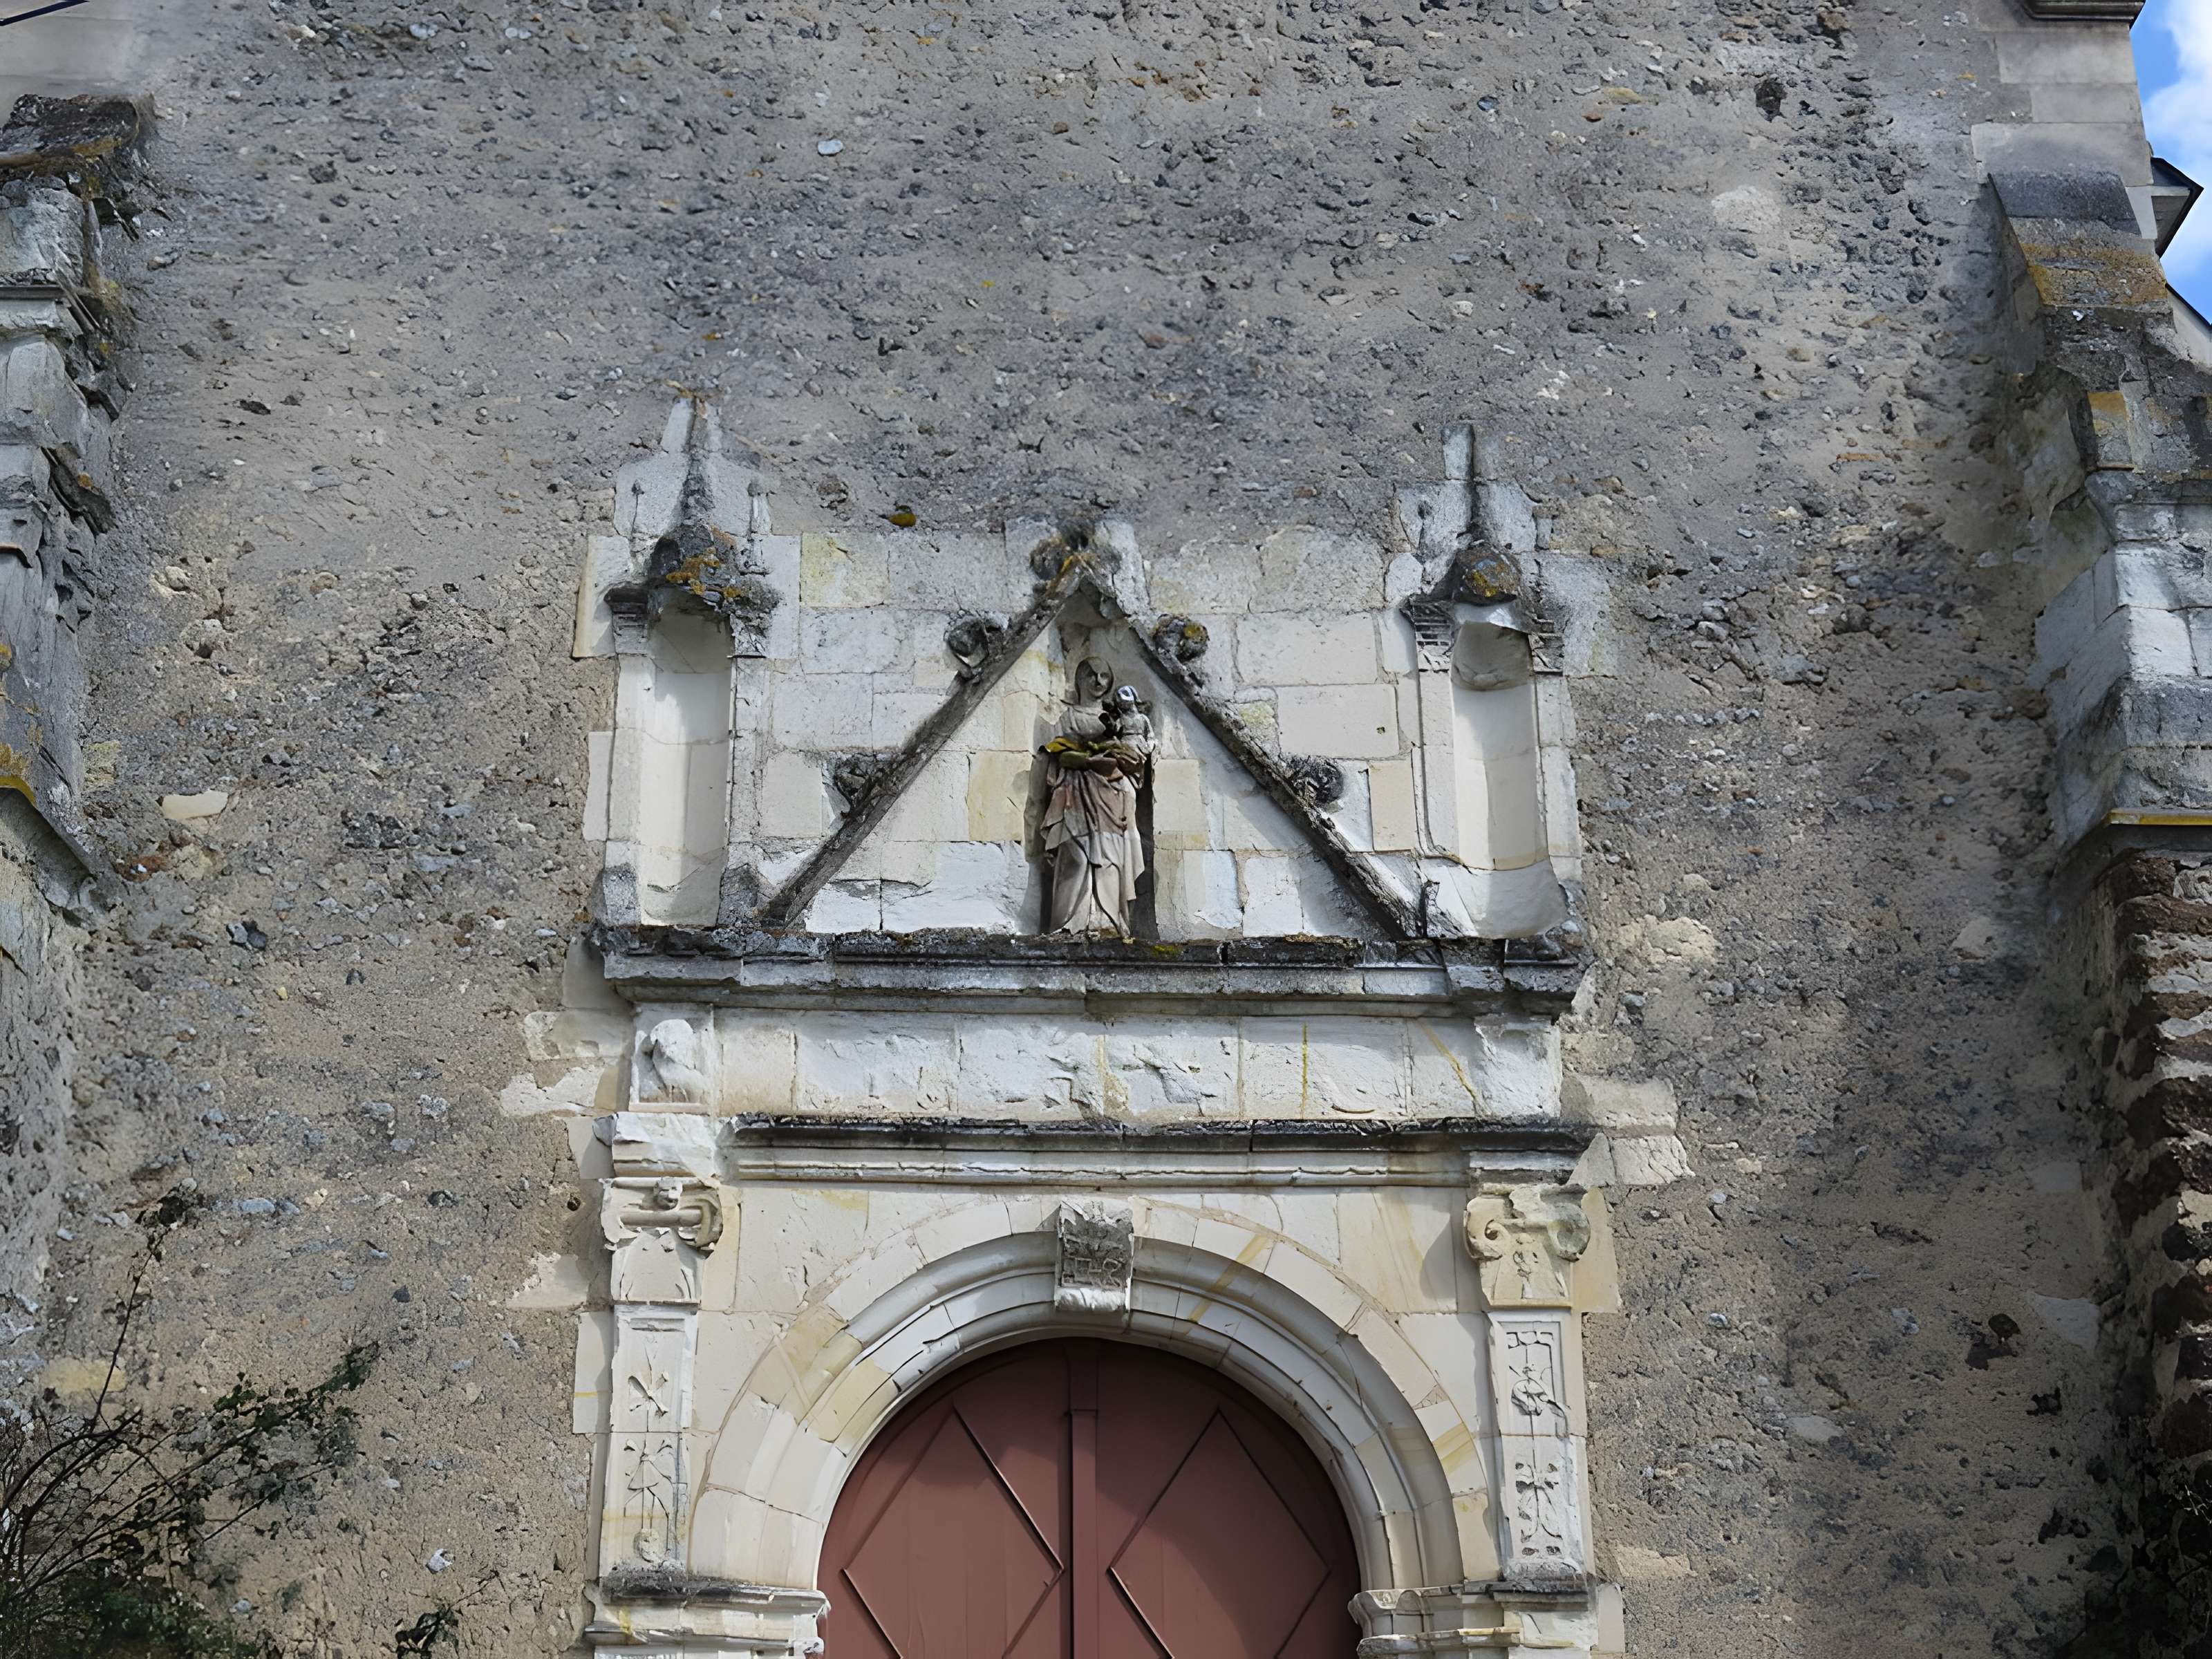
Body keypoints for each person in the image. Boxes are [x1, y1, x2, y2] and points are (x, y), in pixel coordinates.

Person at [1039, 657, 1153, 937]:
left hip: (1112, 794)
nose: (1098, 682)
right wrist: (1088, 760)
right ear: (1079, 680)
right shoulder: (1069, 717)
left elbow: (1136, 756)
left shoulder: (1117, 718)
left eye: (1104, 676)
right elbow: (1059, 755)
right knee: (1075, 854)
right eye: (1091, 675)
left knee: (1111, 855)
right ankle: (1070, 920)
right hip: (1074, 791)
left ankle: (1108, 920)